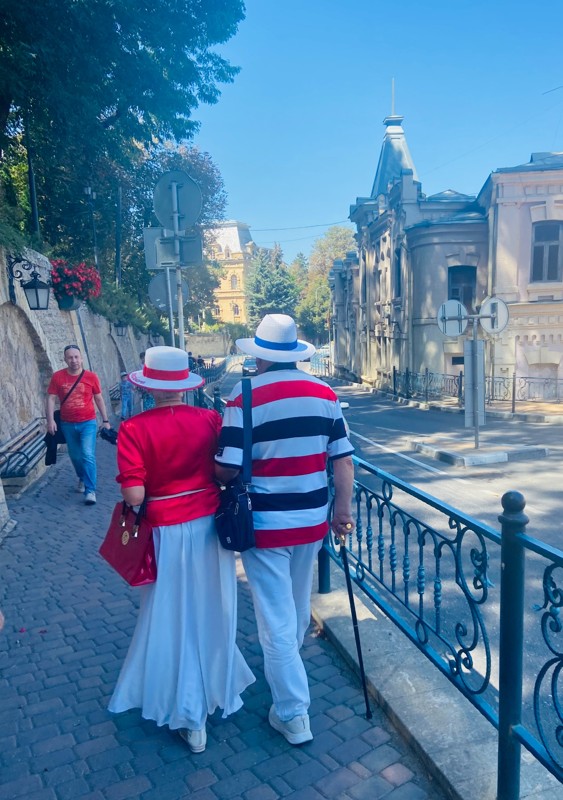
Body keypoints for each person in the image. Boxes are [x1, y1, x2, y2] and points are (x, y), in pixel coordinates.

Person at [215, 314, 355, 745]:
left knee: (275, 618)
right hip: (312, 521)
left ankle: (293, 713)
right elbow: (343, 461)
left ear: (259, 357)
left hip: (264, 525)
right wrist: (342, 513)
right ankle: (288, 675)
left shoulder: (244, 397)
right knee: (295, 605)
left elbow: (227, 468)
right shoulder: (324, 394)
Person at [108, 346, 255, 753]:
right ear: (184, 386)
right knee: (211, 607)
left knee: (169, 613)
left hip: (165, 532)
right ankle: (212, 687)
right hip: (209, 526)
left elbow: (134, 496)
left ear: (149, 387)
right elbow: (226, 469)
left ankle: (188, 712)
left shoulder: (134, 429)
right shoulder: (209, 419)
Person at [46, 345, 111, 505]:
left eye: (76, 357)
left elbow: (98, 398)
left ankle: (90, 490)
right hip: (67, 424)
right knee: (75, 456)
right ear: (65, 359)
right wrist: (50, 420)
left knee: (87, 454)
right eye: (70, 357)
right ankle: (82, 477)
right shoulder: (58, 377)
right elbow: (51, 399)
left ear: (81, 358)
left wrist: (105, 420)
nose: (74, 360)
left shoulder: (91, 377)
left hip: (88, 423)